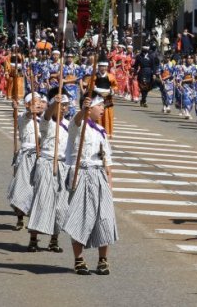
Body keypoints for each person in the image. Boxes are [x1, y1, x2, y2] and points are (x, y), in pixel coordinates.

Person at [63, 92, 118, 275]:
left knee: (105, 217)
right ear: (90, 107)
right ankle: (79, 259)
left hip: (100, 175)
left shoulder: (101, 132)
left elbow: (107, 162)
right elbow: (78, 120)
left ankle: (103, 260)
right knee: (81, 217)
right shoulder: (77, 125)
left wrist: (109, 185)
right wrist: (82, 110)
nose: (103, 109)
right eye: (100, 105)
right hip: (82, 175)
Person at [26, 87, 71, 253]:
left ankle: (54, 239)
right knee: (42, 201)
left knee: (61, 205)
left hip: (62, 165)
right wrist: (54, 104)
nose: (64, 108)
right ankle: (33, 239)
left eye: (66, 105)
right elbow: (47, 114)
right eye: (61, 105)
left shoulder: (69, 125)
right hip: (46, 163)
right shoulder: (46, 121)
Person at [8, 92, 45, 231]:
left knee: (38, 189)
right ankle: (19, 218)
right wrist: (24, 110)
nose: (39, 104)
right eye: (36, 102)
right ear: (28, 104)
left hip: (41, 157)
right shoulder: (24, 118)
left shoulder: (45, 120)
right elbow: (26, 114)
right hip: (26, 157)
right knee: (22, 187)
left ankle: (35, 220)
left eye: (40, 101)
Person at [93, 61, 118, 138]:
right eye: (101, 66)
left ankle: (107, 133)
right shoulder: (94, 76)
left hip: (107, 97)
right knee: (97, 115)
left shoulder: (111, 76)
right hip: (97, 97)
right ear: (98, 67)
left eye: (104, 66)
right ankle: (96, 131)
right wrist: (95, 89)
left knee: (107, 115)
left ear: (107, 67)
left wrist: (112, 91)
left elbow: (115, 86)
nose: (103, 68)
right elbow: (90, 86)